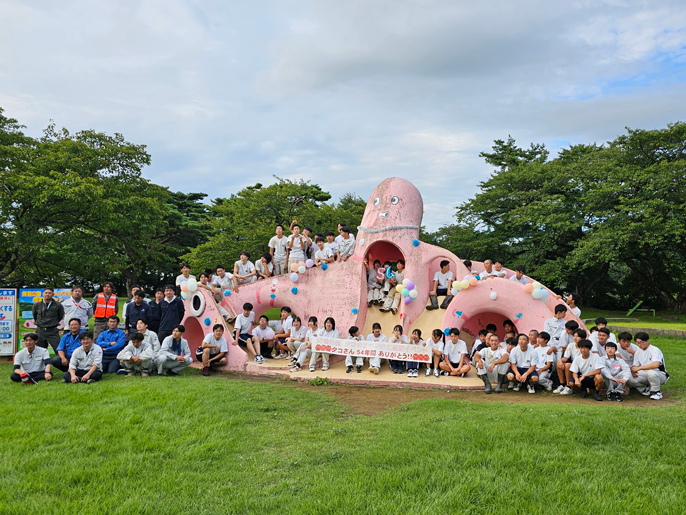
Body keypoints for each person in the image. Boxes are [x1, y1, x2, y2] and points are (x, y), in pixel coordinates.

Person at [627, 332, 669, 400]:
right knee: (628, 377)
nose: (639, 345)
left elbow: (656, 365)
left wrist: (640, 368)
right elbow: (635, 366)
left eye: (641, 342)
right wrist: (633, 371)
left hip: (659, 374)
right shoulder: (638, 352)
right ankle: (645, 389)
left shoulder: (654, 350)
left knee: (651, 372)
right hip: (645, 373)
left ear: (647, 341)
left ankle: (656, 392)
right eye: (637, 342)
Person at [32, 286, 65, 352]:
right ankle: (42, 362)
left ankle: (59, 362)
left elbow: (60, 316)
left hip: (52, 330)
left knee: (59, 349)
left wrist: (53, 322)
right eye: (46, 293)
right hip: (40, 331)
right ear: (43, 294)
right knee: (39, 351)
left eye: (49, 293)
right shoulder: (37, 305)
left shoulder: (58, 305)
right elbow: (35, 316)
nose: (47, 294)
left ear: (53, 294)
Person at [554, 328, 587, 395]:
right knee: (559, 364)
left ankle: (569, 387)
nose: (575, 338)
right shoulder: (571, 345)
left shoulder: (585, 346)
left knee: (568, 365)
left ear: (583, 338)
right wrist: (560, 361)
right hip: (574, 365)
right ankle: (562, 384)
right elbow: (566, 357)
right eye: (574, 336)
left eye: (577, 336)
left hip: (582, 366)